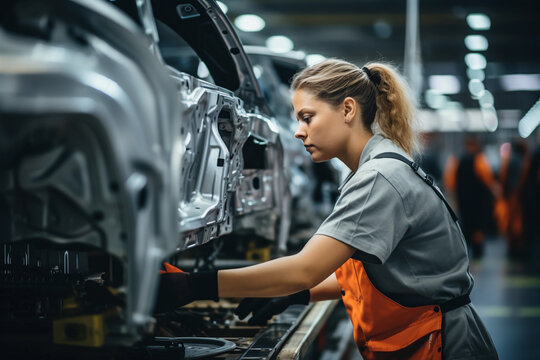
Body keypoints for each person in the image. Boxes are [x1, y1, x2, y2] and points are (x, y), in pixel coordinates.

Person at [156, 59, 498, 359]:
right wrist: (298, 294)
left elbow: (305, 268)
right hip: (431, 338)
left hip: (446, 345)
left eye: (308, 117)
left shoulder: (379, 177)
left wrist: (196, 285)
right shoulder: (375, 168)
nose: (298, 132)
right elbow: (368, 273)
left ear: (348, 109)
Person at [444, 136, 498, 259]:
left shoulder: (458, 160)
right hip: (478, 202)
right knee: (478, 226)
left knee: (466, 225)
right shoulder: (480, 160)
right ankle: (478, 251)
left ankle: (466, 248)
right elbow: (488, 180)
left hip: (463, 200)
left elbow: (450, 182)